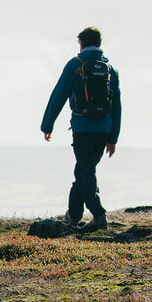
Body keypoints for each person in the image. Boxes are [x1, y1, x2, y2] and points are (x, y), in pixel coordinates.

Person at [40, 26, 121, 232]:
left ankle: (99, 214)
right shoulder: (110, 68)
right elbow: (117, 105)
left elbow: (59, 94)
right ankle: (74, 215)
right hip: (104, 129)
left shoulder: (75, 65)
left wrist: (47, 125)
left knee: (85, 172)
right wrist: (114, 137)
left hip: (82, 127)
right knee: (85, 171)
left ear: (81, 43)